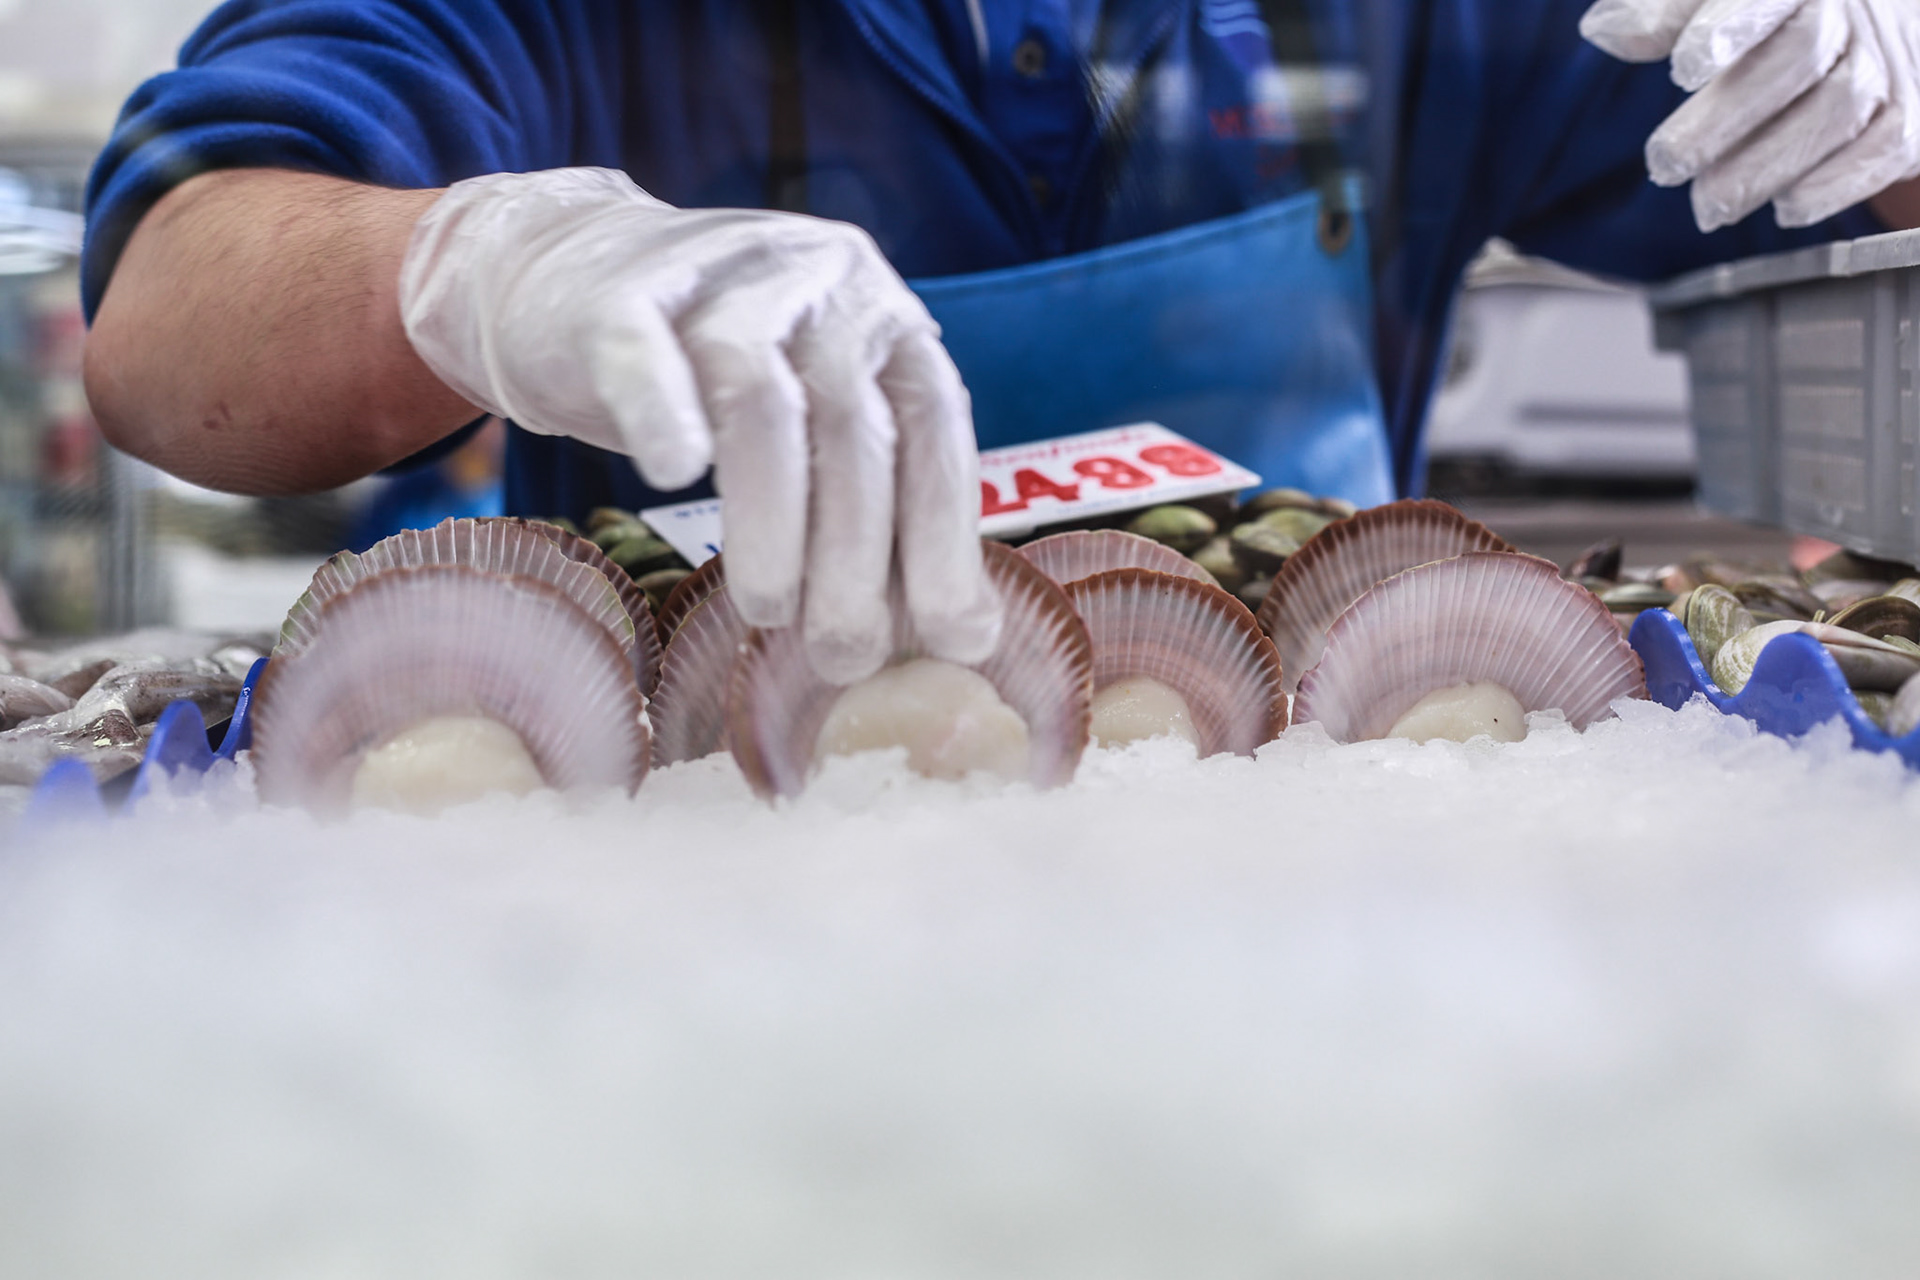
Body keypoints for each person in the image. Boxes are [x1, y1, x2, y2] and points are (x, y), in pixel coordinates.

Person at [81, 0, 1920, 683]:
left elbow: (1820, 174)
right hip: (709, 854)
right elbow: (168, 314)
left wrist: (1896, 76)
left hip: (1339, 828)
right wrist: (480, 258)